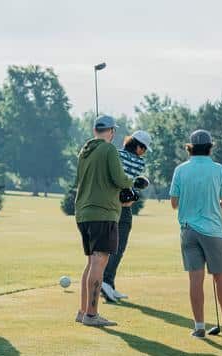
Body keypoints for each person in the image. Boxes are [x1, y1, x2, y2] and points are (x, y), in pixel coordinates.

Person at [169, 129, 222, 341]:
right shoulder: (220, 170)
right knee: (221, 279)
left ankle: (199, 327)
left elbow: (174, 203)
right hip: (213, 231)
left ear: (190, 147)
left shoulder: (180, 170)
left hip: (188, 231)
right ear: (210, 147)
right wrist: (217, 205)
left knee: (195, 279)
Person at [74, 116, 132, 327]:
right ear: (111, 132)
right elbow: (119, 178)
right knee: (99, 261)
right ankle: (92, 314)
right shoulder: (108, 150)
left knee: (91, 262)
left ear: (94, 129)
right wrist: (133, 183)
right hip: (102, 214)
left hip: (83, 214)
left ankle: (83, 311)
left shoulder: (84, 151)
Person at [102, 130, 152, 302]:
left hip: (106, 204)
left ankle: (109, 283)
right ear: (137, 145)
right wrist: (133, 195)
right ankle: (105, 282)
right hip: (122, 208)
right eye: (143, 148)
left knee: (106, 245)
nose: (144, 152)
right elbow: (131, 185)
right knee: (119, 246)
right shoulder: (139, 162)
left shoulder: (114, 153)